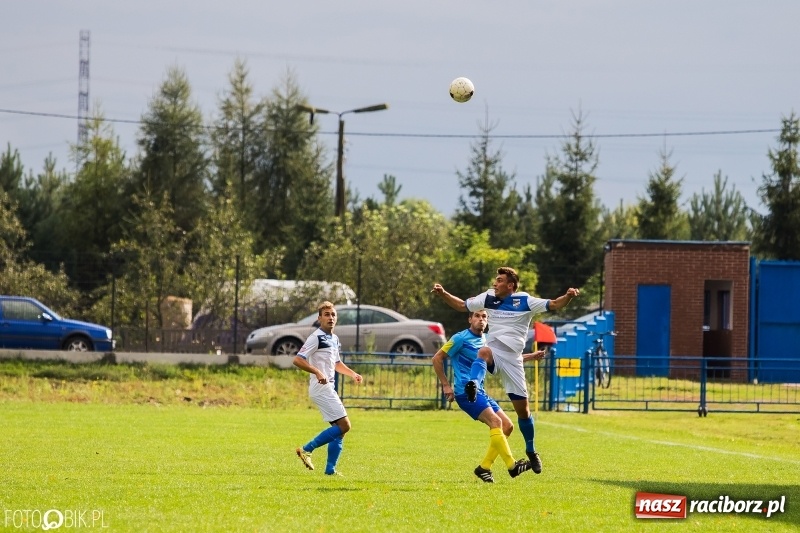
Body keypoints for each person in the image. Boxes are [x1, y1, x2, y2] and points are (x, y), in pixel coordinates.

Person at [432, 266, 579, 474]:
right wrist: (443, 293)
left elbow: (554, 304)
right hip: (495, 352)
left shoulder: (525, 301)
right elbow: (461, 305)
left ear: (510, 285)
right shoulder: (488, 297)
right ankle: (473, 384)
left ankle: (531, 450)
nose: (495, 283)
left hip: (513, 359)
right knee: (483, 351)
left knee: (523, 413)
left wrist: (569, 296)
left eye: (499, 280)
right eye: (496, 279)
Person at [432, 309, 547, 482]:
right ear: (470, 319)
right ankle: (512, 466)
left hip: (481, 391)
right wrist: (446, 385)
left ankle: (484, 467)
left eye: (484, 316)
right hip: (465, 392)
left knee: (507, 426)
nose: (481, 319)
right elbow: (437, 358)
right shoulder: (459, 338)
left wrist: (532, 356)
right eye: (477, 316)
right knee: (496, 422)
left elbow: (506, 359)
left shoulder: (488, 340)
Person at [293, 301, 363, 476]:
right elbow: (298, 360)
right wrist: (317, 372)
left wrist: (352, 374)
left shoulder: (334, 339)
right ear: (319, 318)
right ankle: (307, 449)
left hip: (327, 387)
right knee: (345, 425)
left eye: (333, 315)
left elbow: (336, 363)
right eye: (326, 315)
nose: (330, 318)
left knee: (339, 431)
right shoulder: (316, 337)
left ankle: (330, 470)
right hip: (321, 388)